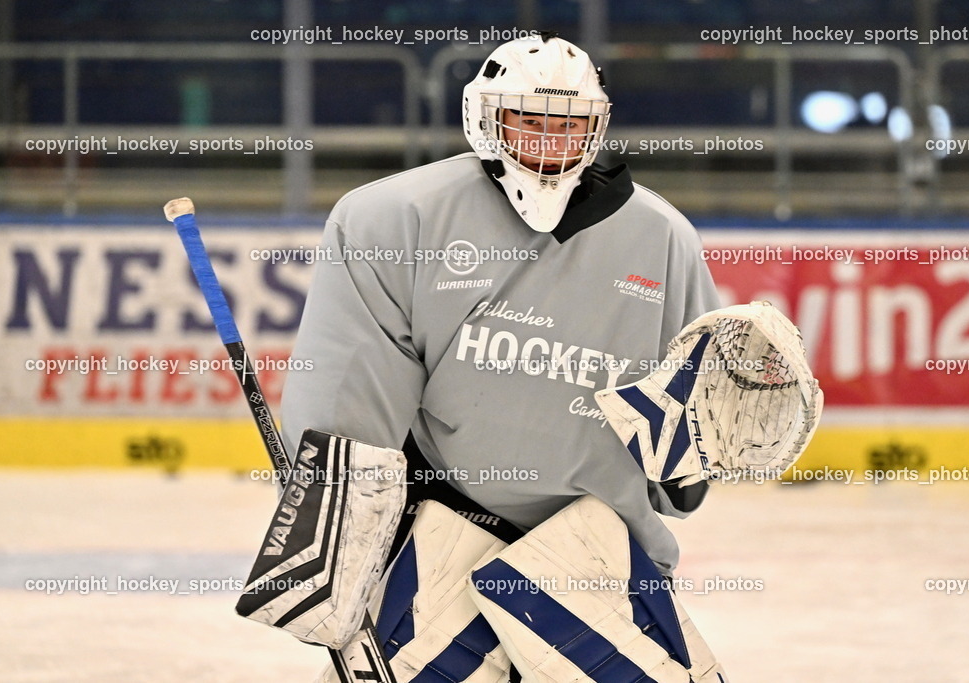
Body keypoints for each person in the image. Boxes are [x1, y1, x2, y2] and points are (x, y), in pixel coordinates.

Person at [281, 31, 725, 682]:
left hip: (596, 547)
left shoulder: (662, 238)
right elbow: (351, 398)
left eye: (569, 126)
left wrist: (708, 440)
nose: (550, 142)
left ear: (596, 129)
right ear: (486, 120)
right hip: (445, 536)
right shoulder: (397, 219)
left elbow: (679, 456)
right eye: (530, 121)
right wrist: (338, 526)